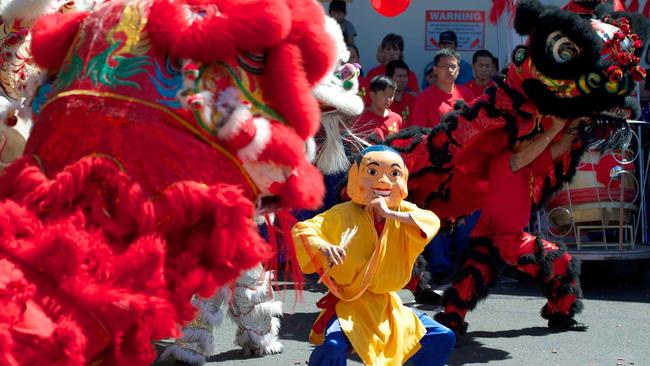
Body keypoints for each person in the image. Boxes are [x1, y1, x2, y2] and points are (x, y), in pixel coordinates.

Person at [292, 145, 455, 366]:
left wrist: (388, 213)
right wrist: (322, 246)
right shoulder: (342, 213)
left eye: (394, 173)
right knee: (333, 347)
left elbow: (431, 221)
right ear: (355, 177)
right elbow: (303, 230)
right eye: (372, 172)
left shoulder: (401, 211)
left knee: (442, 337)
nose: (384, 181)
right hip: (351, 307)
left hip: (387, 307)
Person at [435, 116, 589, 335]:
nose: (533, 138)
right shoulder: (506, 160)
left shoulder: (531, 162)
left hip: (514, 239)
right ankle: (450, 327)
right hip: (493, 238)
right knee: (468, 282)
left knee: (561, 263)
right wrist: (554, 128)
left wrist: (576, 120)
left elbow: (562, 146)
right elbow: (527, 155)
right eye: (528, 135)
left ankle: (560, 314)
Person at [410, 48, 474, 128]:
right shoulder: (424, 97)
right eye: (444, 66)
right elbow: (418, 131)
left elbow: (473, 127)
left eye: (453, 66)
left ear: (458, 70)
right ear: (435, 69)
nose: (450, 70)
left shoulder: (467, 94)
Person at [352, 75, 402, 140]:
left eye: (391, 95)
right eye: (384, 95)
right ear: (372, 95)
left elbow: (399, 145)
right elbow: (354, 147)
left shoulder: (397, 119)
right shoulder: (360, 118)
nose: (388, 99)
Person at [386, 60, 417, 125]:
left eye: (405, 76)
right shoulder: (382, 101)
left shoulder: (413, 100)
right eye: (399, 76)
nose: (403, 80)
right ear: (389, 78)